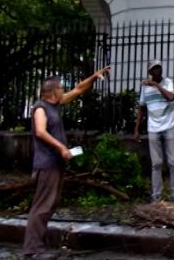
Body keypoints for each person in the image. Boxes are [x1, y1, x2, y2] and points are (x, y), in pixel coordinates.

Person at [23, 66, 111, 257]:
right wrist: (61, 147)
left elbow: (78, 90)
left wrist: (94, 77)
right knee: (42, 206)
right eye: (61, 88)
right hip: (46, 165)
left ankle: (38, 244)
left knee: (50, 204)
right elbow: (40, 131)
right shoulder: (40, 108)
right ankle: (32, 249)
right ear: (53, 91)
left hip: (55, 165)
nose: (63, 90)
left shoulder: (56, 104)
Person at [133, 60, 174, 202]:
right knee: (156, 164)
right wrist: (137, 129)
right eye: (154, 69)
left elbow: (171, 97)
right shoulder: (144, 88)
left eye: (159, 67)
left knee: (173, 161)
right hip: (153, 128)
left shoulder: (167, 83)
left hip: (169, 126)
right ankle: (156, 196)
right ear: (150, 72)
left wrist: (156, 85)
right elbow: (142, 109)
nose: (158, 70)